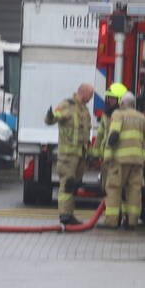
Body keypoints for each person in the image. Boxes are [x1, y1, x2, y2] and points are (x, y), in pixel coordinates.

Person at [103, 91, 145, 230]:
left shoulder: (118, 114)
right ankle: (132, 222)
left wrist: (107, 156)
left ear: (122, 103)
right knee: (134, 191)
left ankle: (112, 222)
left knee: (114, 189)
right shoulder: (141, 118)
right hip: (137, 161)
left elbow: (113, 135)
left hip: (120, 160)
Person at [45, 83, 94, 225]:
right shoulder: (67, 105)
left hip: (80, 155)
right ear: (83, 92)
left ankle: (69, 214)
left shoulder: (84, 110)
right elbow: (52, 118)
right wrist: (50, 116)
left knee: (74, 185)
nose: (91, 98)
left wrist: (89, 154)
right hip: (68, 156)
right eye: (90, 95)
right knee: (67, 184)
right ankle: (65, 215)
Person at [94, 83, 128, 228]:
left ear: (120, 100)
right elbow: (100, 135)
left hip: (119, 159)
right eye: (109, 99)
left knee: (121, 190)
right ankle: (116, 217)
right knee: (108, 190)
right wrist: (95, 154)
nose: (109, 102)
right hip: (107, 159)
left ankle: (118, 219)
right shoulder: (106, 116)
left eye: (113, 99)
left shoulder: (124, 116)